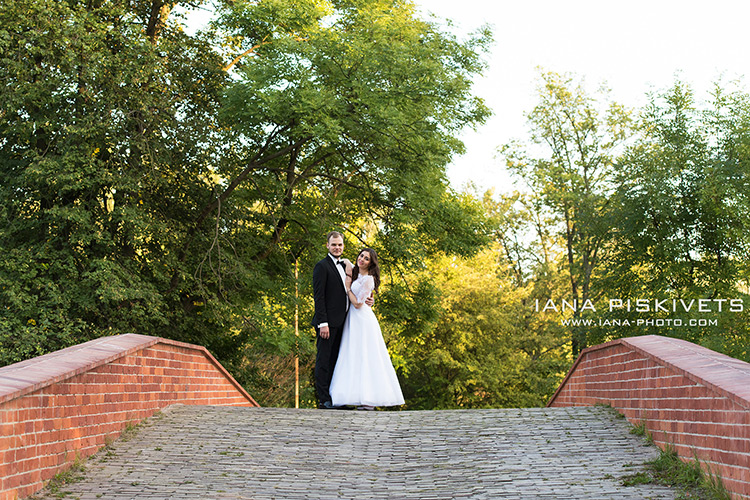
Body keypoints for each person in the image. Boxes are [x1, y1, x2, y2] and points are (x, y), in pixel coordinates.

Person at [329, 248, 404, 410]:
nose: (362, 259)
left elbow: (357, 303)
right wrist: (348, 264)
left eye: (367, 258)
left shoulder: (369, 279)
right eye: (361, 255)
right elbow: (346, 261)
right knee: (353, 355)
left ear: (372, 263)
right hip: (352, 320)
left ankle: (369, 398)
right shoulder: (355, 272)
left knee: (366, 355)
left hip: (362, 319)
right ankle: (355, 395)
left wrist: (348, 288)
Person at [311, 231, 373, 409]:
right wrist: (323, 323)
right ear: (327, 246)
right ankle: (324, 399)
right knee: (324, 360)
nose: (337, 247)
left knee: (337, 361)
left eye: (340, 245)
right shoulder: (321, 266)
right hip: (327, 323)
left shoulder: (348, 267)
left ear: (343, 246)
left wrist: (369, 299)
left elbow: (357, 289)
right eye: (334, 245)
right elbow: (319, 297)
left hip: (345, 322)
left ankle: (337, 397)